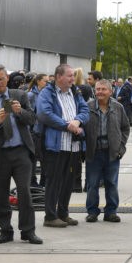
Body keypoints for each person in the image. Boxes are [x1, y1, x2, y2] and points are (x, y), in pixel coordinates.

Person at [0, 63, 41, 245]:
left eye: (1, 79)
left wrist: (20, 112)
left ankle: (28, 231)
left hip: (21, 152)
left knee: (24, 192)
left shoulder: (19, 95)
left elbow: (32, 119)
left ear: (7, 78)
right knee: (0, 196)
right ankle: (5, 230)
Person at [37, 64, 89, 228]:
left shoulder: (75, 92)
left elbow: (85, 110)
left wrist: (78, 120)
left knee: (68, 182)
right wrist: (67, 126)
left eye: (73, 75)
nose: (73, 79)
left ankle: (63, 213)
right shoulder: (47, 93)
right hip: (55, 145)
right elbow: (44, 114)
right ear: (59, 77)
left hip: (73, 146)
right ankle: (50, 216)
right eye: (69, 76)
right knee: (54, 181)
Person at [84, 78, 130, 222]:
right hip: (93, 152)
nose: (100, 92)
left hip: (112, 153)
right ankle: (92, 211)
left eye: (103, 89)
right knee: (92, 184)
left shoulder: (118, 107)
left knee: (112, 183)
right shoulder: (87, 107)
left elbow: (125, 128)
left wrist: (121, 147)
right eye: (98, 89)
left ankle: (111, 212)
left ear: (111, 91)